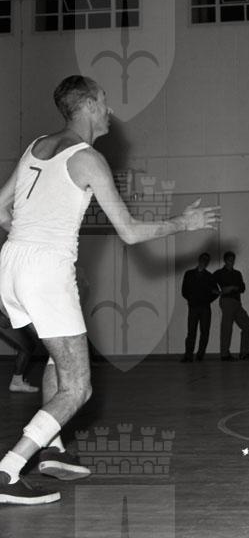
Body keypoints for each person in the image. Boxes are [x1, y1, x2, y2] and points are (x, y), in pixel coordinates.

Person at [0, 75, 219, 505]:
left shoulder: (37, 146)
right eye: (103, 101)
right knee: (78, 387)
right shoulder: (88, 159)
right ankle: (7, 470)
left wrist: (28, 244)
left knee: (58, 357)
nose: (109, 110)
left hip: (11, 263)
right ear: (86, 106)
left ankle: (51, 450)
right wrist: (182, 223)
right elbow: (130, 232)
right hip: (44, 269)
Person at [212, 252, 249, 361]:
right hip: (226, 300)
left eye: (233, 260)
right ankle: (224, 354)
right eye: (229, 260)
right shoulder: (219, 273)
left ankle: (244, 353)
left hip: (237, 302)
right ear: (225, 260)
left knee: (247, 325)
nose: (231, 262)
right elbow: (209, 284)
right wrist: (219, 291)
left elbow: (243, 288)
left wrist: (233, 287)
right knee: (227, 327)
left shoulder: (237, 273)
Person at [181, 252, 219, 362]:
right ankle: (188, 355)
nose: (204, 261)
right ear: (199, 259)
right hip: (193, 307)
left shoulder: (209, 276)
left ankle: (200, 355)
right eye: (203, 259)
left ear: (208, 262)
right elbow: (184, 290)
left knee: (204, 332)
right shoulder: (189, 274)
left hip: (205, 307)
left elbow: (216, 292)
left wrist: (207, 300)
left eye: (207, 260)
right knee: (191, 332)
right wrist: (191, 299)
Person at [0, 306, 39, 393]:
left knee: (28, 346)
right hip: (3, 315)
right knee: (27, 347)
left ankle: (16, 382)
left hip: (7, 313)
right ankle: (16, 383)